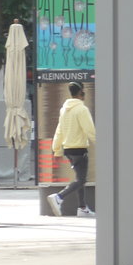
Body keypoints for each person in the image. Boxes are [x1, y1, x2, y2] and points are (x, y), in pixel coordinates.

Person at [47, 81, 97, 216]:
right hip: (79, 149)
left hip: (68, 150)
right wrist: (102, 145)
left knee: (79, 178)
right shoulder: (82, 109)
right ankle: (59, 197)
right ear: (81, 92)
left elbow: (59, 130)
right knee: (81, 180)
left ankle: (82, 208)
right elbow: (90, 130)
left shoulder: (64, 110)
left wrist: (57, 150)